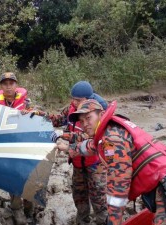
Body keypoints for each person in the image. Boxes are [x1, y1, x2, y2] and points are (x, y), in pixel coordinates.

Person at [57, 99, 166, 225]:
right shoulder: (109, 133)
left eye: (88, 118)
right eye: (81, 121)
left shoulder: (112, 139)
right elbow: (89, 146)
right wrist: (67, 148)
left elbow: (118, 187)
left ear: (101, 115)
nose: (84, 124)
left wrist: (113, 221)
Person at [49, 81, 108, 225]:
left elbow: (91, 140)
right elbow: (58, 120)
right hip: (77, 163)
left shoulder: (97, 115)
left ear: (89, 99)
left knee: (99, 198)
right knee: (79, 196)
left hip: (95, 164)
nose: (74, 102)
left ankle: (104, 221)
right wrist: (40, 115)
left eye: (78, 100)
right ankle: (82, 221)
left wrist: (64, 136)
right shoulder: (71, 109)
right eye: (73, 98)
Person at [0, 72, 33, 225]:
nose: (8, 86)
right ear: (1, 86)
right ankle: (16, 209)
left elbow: (35, 119)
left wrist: (28, 114)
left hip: (24, 147)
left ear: (16, 85)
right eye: (5, 83)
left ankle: (30, 208)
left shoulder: (27, 102)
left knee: (28, 178)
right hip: (7, 149)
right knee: (12, 178)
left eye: (11, 83)